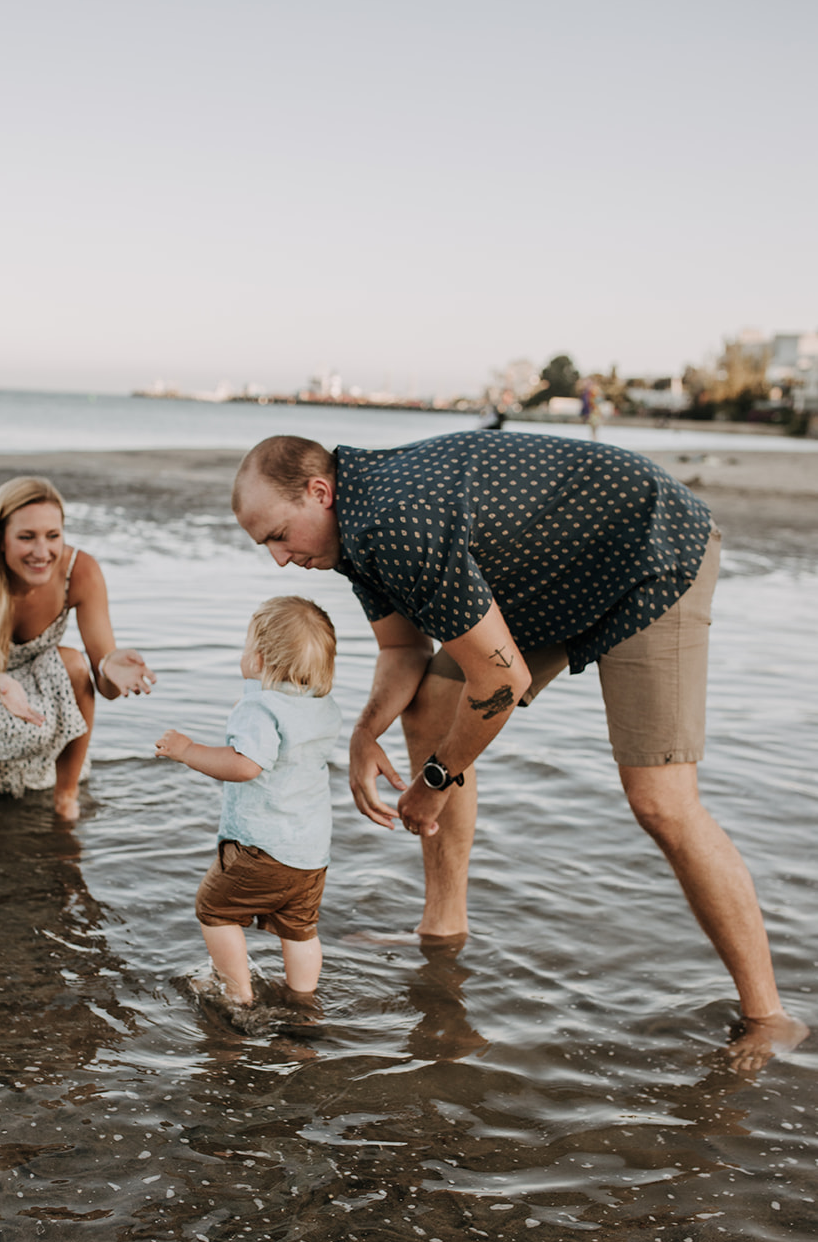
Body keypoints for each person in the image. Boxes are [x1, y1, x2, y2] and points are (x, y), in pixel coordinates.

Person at [231, 432, 806, 1064]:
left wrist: (434, 780)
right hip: (552, 577)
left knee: (661, 802)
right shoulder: (349, 536)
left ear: (320, 493)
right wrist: (365, 731)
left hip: (648, 552)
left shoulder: (395, 519)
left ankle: (769, 1015)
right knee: (429, 701)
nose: (280, 560)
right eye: (265, 546)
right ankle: (442, 926)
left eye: (279, 536)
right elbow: (404, 651)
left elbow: (501, 679)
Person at [0, 475, 155, 821]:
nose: (42, 552)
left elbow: (102, 688)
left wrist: (109, 668)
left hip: (40, 686)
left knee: (75, 663)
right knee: (29, 726)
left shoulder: (80, 570)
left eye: (53, 536)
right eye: (26, 537)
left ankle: (66, 797)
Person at [154, 596, 342, 1005]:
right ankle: (303, 998)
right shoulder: (321, 708)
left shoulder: (259, 706)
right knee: (300, 928)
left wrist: (187, 750)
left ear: (257, 659)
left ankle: (237, 993)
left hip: (262, 848)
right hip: (310, 855)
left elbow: (246, 765)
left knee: (214, 909)